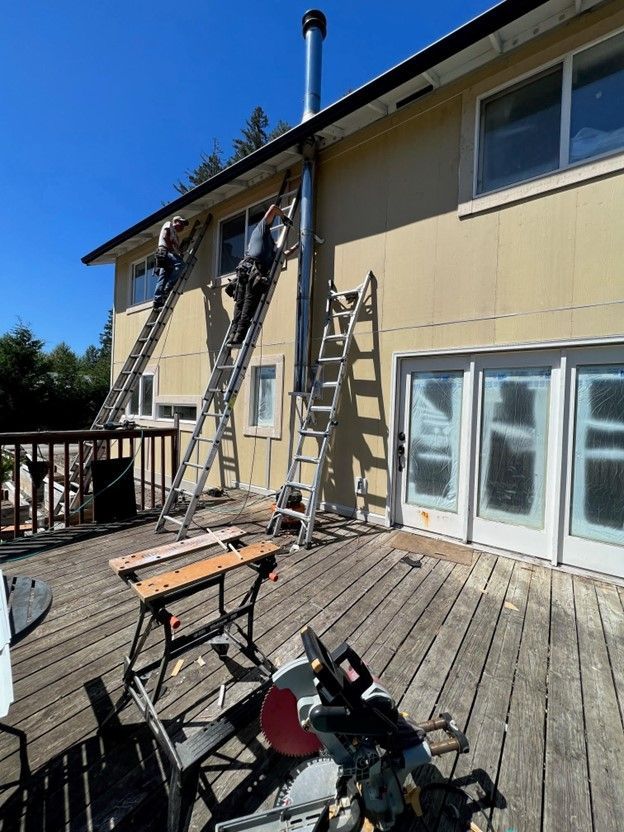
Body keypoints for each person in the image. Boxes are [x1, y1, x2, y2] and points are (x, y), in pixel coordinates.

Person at [227, 204, 296, 346]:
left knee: (244, 305)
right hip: (251, 270)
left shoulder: (271, 249)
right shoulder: (261, 230)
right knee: (245, 305)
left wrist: (298, 245)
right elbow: (273, 208)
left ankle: (236, 335)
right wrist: (283, 217)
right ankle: (236, 335)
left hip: (248, 272)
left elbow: (283, 255)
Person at [153, 215, 189, 309]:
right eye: (181, 223)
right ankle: (168, 287)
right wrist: (174, 252)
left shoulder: (176, 237)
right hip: (163, 251)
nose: (182, 227)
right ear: (175, 221)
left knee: (163, 277)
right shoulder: (169, 225)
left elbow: (178, 250)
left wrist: (184, 245)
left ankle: (157, 301)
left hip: (167, 256)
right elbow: (165, 237)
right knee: (181, 264)